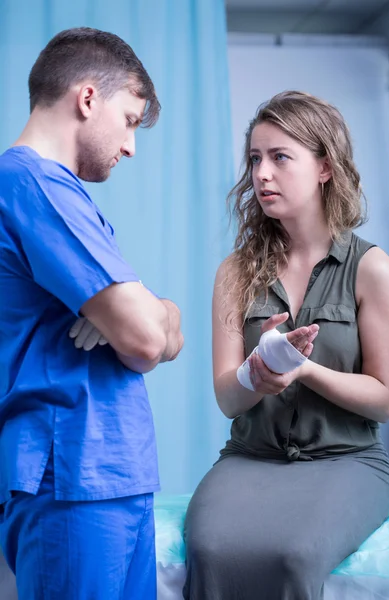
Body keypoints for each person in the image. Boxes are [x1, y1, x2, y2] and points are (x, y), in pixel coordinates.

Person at [183, 90, 389, 600]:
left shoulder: (371, 269)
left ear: (325, 167)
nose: (261, 173)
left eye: (280, 157)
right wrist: (255, 374)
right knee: (210, 548)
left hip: (348, 461)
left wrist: (303, 370)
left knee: (295, 554)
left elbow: (387, 399)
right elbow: (227, 398)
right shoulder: (235, 273)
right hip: (251, 457)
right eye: (255, 159)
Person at [0, 27, 184, 600]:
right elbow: (149, 343)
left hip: (112, 476)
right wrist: (145, 319)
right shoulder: (30, 183)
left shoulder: (63, 194)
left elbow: (161, 328)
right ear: (87, 99)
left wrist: (154, 310)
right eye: (130, 121)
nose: (130, 146)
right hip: (72, 476)